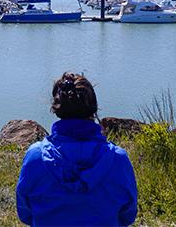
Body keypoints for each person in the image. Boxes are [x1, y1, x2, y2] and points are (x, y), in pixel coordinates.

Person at [16, 72, 138, 226]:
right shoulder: (118, 159)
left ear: (57, 108)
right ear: (93, 108)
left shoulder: (35, 156)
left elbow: (25, 213)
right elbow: (128, 215)